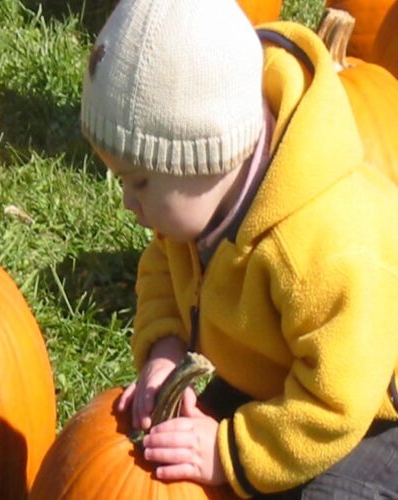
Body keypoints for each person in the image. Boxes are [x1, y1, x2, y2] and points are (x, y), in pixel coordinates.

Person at [80, 0, 398, 497]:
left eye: (139, 182)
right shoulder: (201, 203)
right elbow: (164, 266)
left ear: (206, 156)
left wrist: (227, 451)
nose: (125, 202)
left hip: (371, 406)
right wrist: (164, 347)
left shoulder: (320, 249)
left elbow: (337, 404)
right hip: (281, 369)